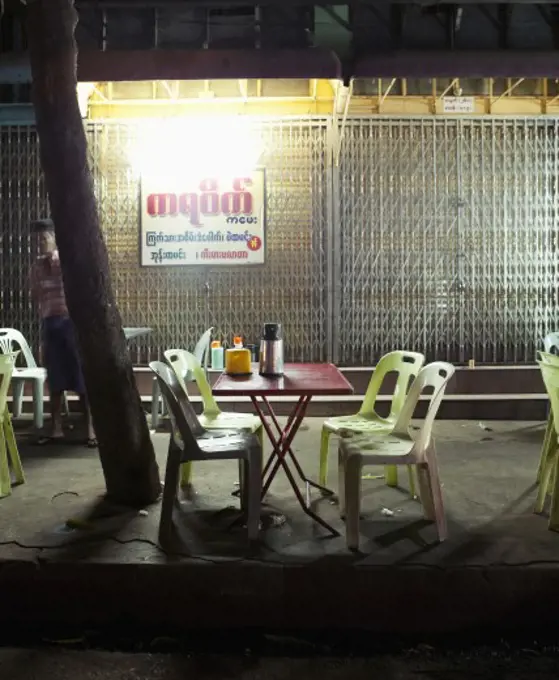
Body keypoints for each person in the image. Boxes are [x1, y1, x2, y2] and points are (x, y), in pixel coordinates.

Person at [29, 218, 97, 447]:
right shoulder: (37, 268)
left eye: (45, 238)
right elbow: (37, 297)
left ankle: (90, 429)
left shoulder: (64, 263)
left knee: (81, 378)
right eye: (37, 240)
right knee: (55, 378)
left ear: (54, 240)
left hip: (70, 324)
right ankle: (55, 428)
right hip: (50, 324)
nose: (41, 243)